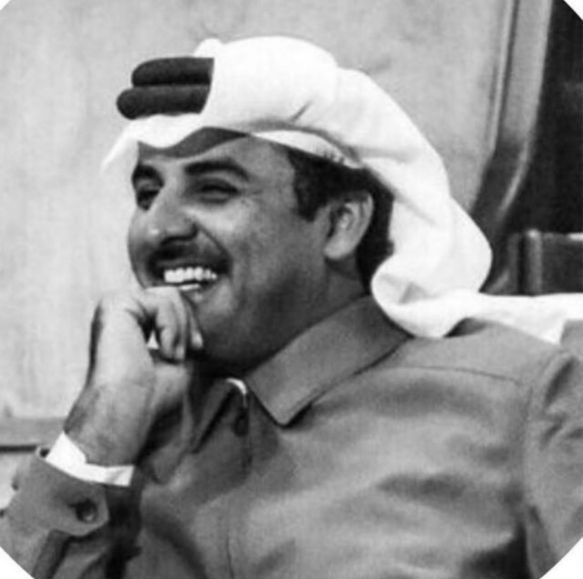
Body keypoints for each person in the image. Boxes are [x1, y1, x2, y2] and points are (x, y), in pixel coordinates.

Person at [1, 36, 582, 579]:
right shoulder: (127, 437)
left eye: (214, 189)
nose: (158, 227)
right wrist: (97, 433)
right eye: (147, 194)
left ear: (340, 224)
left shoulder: (526, 399)